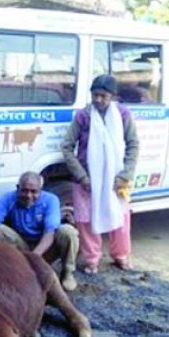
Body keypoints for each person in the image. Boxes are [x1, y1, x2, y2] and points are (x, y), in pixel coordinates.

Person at [61, 74, 139, 273]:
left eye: (103, 96)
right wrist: (83, 177)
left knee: (120, 217)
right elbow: (67, 147)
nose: (98, 100)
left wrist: (125, 175)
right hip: (86, 179)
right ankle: (92, 260)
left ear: (112, 96)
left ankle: (120, 256)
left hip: (116, 179)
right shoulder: (83, 116)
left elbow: (133, 145)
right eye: (95, 95)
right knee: (85, 220)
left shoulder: (122, 114)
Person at [0, 171, 80, 291]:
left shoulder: (51, 200)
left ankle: (67, 272)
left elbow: (50, 232)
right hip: (21, 244)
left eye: (34, 191)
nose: (28, 195)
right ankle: (14, 267)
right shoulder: (9, 198)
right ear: (18, 188)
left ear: (41, 190)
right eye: (24, 190)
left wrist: (34, 257)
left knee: (68, 231)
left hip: (45, 247)